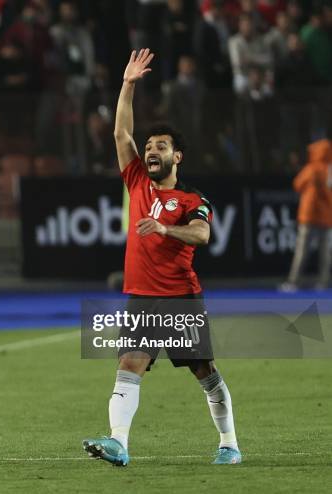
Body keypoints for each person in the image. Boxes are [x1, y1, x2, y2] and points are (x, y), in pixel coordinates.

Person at [82, 49, 241, 466]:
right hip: (139, 296)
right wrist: (128, 85)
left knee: (204, 372)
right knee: (128, 364)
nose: (151, 150)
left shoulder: (192, 199)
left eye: (161, 146)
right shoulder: (136, 181)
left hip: (179, 297)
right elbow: (121, 134)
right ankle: (119, 443)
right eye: (149, 146)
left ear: (177, 156)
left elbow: (203, 234)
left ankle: (229, 443)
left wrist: (166, 229)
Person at [280, 139, 332, 292]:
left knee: (302, 250)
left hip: (309, 216)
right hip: (326, 217)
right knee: (325, 252)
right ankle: (323, 283)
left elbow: (297, 184)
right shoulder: (329, 170)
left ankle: (293, 282)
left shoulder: (311, 169)